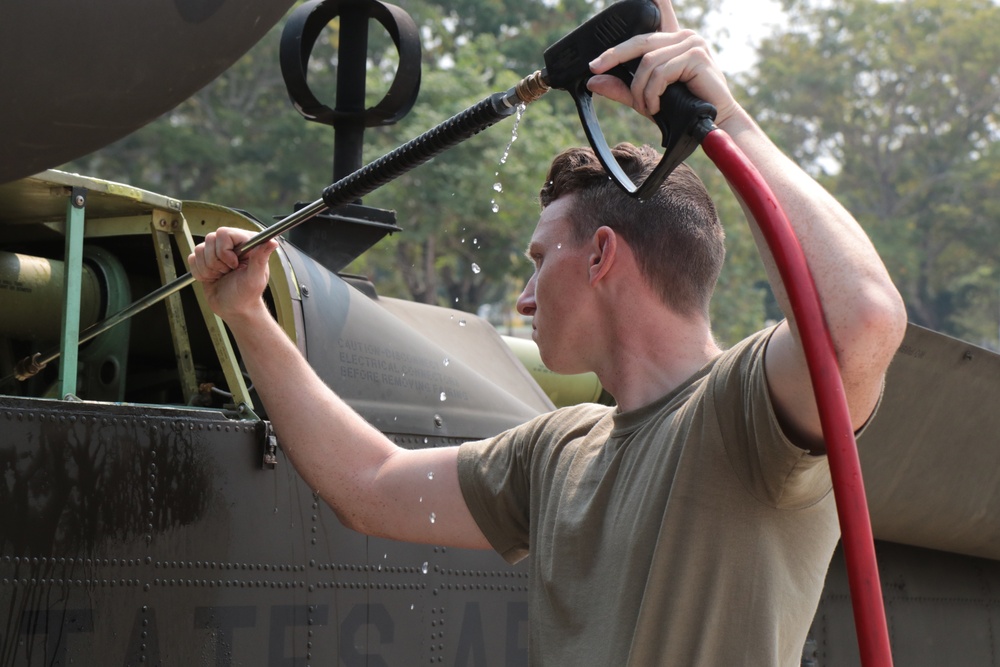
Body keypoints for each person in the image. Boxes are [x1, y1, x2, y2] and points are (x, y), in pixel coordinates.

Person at [188, 1, 907, 664]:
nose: (525, 300)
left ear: (601, 255)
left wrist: (727, 118)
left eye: (538, 263)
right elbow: (370, 485)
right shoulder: (558, 448)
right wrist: (248, 315)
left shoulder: (742, 409)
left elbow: (862, 324)